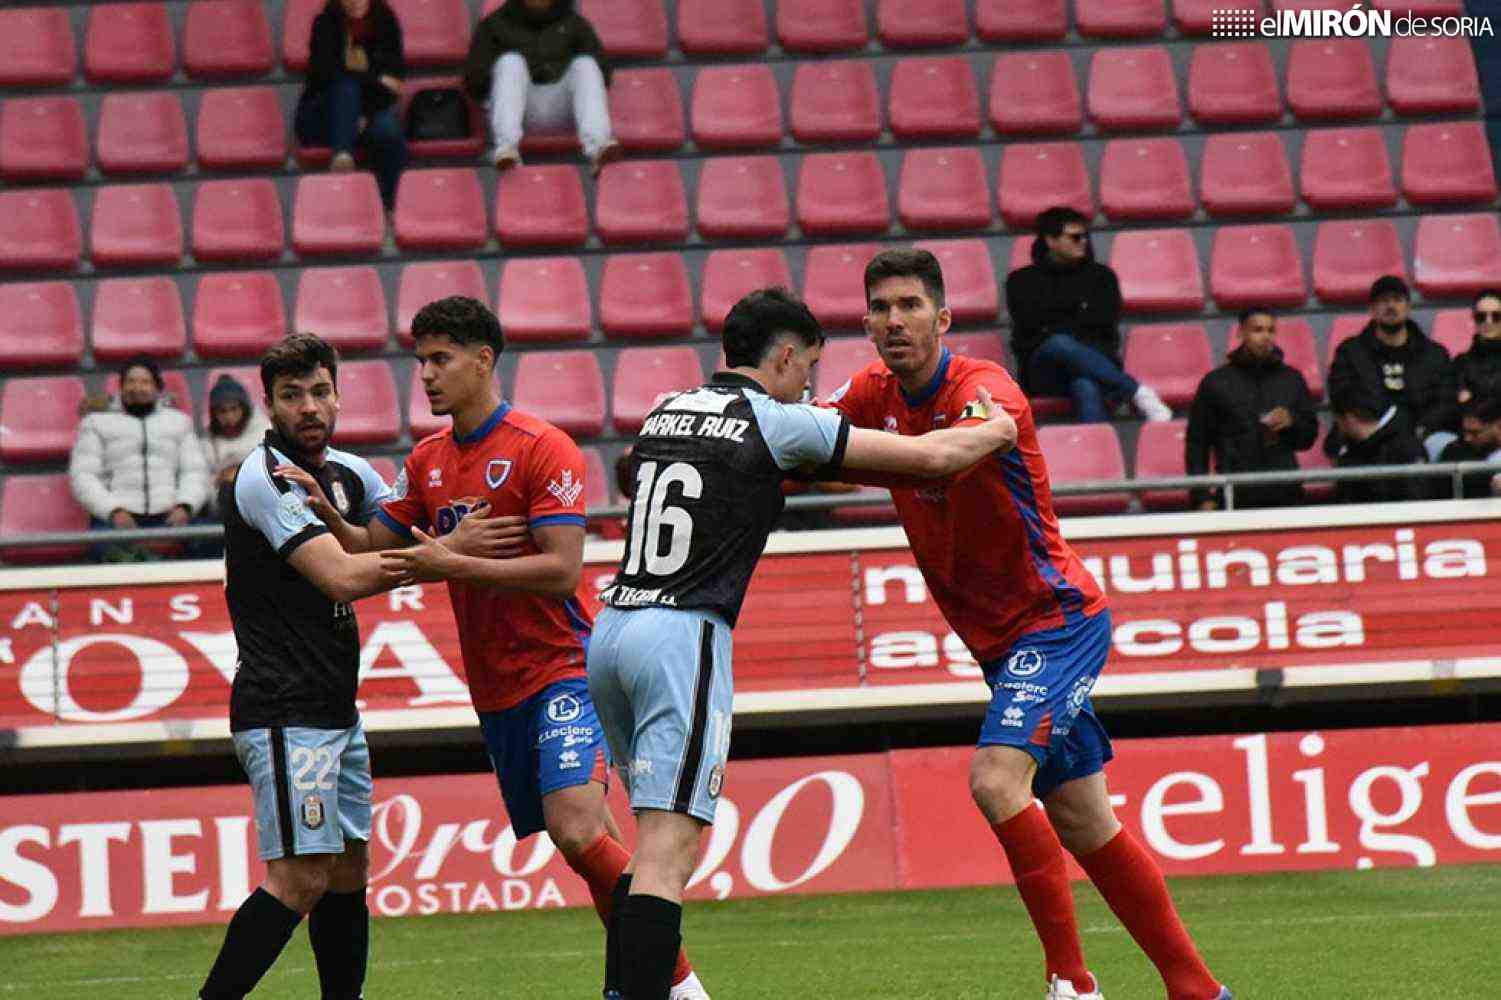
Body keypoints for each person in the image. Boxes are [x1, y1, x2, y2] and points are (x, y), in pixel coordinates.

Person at [587, 286, 1019, 1000]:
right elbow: (930, 461)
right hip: (680, 633)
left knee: (649, 845)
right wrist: (993, 432)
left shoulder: (667, 407)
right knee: (670, 850)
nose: (809, 387)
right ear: (784, 355)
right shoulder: (775, 420)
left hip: (614, 628)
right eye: (808, 369)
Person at [827, 249, 1230, 1000]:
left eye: (909, 306)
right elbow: (798, 446)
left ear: (941, 319)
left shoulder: (986, 389)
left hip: (1054, 620)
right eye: (880, 308)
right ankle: (1198, 990)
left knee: (994, 779)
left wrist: (865, 455)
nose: (893, 321)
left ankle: (1070, 982)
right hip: (997, 642)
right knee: (1083, 820)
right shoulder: (867, 394)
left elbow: (963, 443)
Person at [284, 297, 710, 999]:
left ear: (483, 359)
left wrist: (454, 565)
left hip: (567, 667)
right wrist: (329, 515)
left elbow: (562, 570)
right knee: (588, 846)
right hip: (496, 688)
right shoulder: (424, 462)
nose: (424, 375)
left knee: (574, 827)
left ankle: (682, 987)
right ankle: (641, 983)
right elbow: (371, 549)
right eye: (420, 360)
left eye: (440, 359)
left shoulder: (542, 447)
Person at [198, 334, 407, 1000]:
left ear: (338, 393)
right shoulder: (263, 476)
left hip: (335, 709)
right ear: (269, 403)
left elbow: (400, 533)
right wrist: (445, 557)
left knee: (349, 869)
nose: (309, 407)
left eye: (320, 391)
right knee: (300, 878)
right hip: (283, 707)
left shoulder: (349, 473)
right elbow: (342, 577)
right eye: (292, 395)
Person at [1005, 206, 1173, 424]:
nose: (1083, 241)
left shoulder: (1102, 277)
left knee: (1085, 385)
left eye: (1085, 236)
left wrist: (1055, 320)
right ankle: (1135, 391)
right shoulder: (1021, 281)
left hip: (1095, 361)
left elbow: (1103, 325)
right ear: (1051, 240)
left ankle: (1099, 455)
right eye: (1075, 237)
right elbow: (1030, 327)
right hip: (1044, 371)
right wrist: (1075, 315)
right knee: (1059, 343)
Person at [70, 356, 210, 562]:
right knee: (103, 548)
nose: (137, 388)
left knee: (210, 538)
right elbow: (83, 476)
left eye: (145, 382)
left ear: (157, 388)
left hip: (171, 516)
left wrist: (185, 506)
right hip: (117, 518)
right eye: (131, 381)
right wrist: (114, 511)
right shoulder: (96, 423)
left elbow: (195, 471)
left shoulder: (179, 423)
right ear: (121, 387)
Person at [462, 0, 622, 175]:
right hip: (517, 110)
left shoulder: (574, 23)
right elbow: (473, 80)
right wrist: (501, 82)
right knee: (510, 62)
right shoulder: (494, 25)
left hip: (564, 110)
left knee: (585, 64)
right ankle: (506, 149)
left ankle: (598, 147)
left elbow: (603, 73)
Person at [1185, 307, 1318, 510]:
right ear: (1241, 333)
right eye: (1257, 330)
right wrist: (1201, 496)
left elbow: (1308, 438)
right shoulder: (1216, 382)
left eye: (1271, 330)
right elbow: (1197, 444)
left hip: (1286, 493)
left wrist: (1292, 422)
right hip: (1235, 495)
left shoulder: (1292, 379)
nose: (1266, 336)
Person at [1326, 275, 1458, 462]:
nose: (1390, 306)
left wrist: (1406, 427)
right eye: (1383, 301)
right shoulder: (1350, 352)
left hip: (1417, 441)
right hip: (1364, 442)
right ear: (1371, 309)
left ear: (1408, 307)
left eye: (1397, 300)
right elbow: (1342, 394)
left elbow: (1445, 403)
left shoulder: (1434, 355)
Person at [295, 0, 407, 210]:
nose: (355, 2)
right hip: (323, 116)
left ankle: (391, 206)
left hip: (371, 112)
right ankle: (342, 155)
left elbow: (396, 83)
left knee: (388, 130)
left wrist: (364, 109)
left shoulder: (386, 22)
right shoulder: (325, 24)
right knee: (345, 87)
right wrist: (376, 80)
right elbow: (323, 76)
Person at [1326, 381, 1431, 504]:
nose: (1337, 427)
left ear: (1349, 419)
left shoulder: (1407, 449)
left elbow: (1417, 500)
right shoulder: (1348, 453)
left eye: (1337, 421)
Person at [202, 374, 272, 515]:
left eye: (234, 409)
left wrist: (238, 473)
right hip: (221, 508)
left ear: (244, 408)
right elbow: (201, 484)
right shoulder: (206, 443)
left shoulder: (265, 433)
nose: (229, 417)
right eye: (222, 411)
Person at [1437, 397, 1501, 498]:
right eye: (1465, 431)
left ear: (1498, 426)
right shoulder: (1454, 452)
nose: (1467, 438)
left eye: (1475, 433)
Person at [1453, 289, 1501, 406]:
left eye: (1496, 316)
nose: (1488, 322)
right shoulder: (1461, 363)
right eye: (1481, 316)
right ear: (1474, 319)